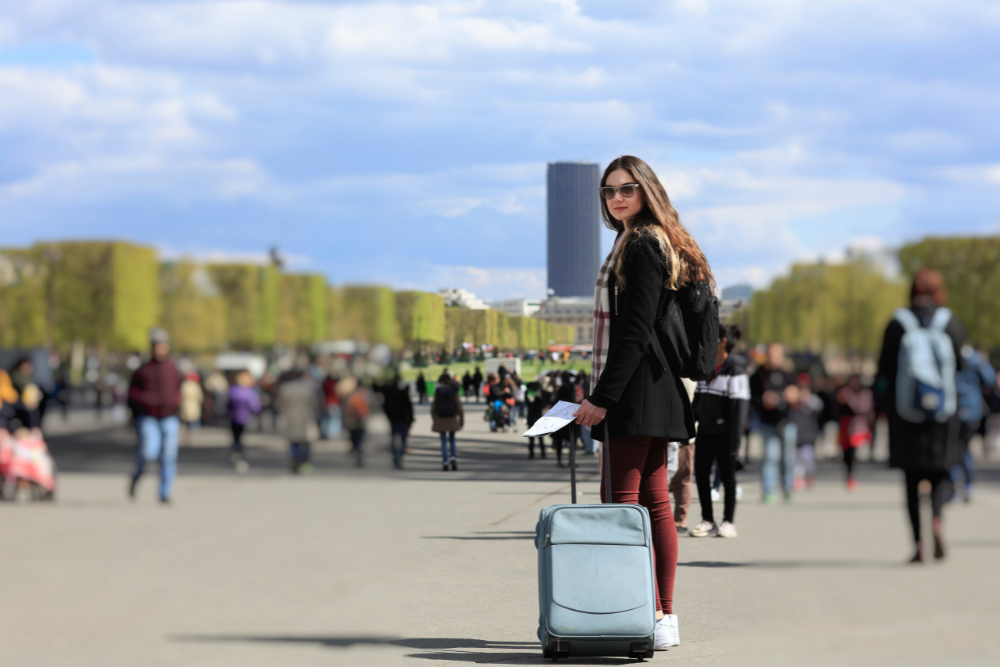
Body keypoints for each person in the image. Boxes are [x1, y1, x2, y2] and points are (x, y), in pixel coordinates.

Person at [573, 155, 715, 650]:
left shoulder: (639, 245)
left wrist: (601, 398)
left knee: (620, 507)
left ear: (647, 190)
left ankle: (637, 612)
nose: (616, 198)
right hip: (659, 388)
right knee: (654, 506)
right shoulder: (663, 240)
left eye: (627, 188)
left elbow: (633, 331)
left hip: (635, 393)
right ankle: (661, 616)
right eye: (609, 191)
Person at [876, 268, 964, 563]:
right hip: (943, 412)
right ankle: (937, 519)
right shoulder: (949, 322)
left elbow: (884, 369)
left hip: (906, 412)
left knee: (911, 479)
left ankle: (918, 544)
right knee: (940, 473)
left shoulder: (898, 322)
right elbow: (961, 365)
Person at [690, 324, 749, 538]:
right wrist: (687, 427)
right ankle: (708, 520)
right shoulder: (706, 366)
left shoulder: (736, 368)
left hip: (726, 433)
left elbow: (739, 408)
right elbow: (698, 401)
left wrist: (734, 443)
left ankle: (728, 522)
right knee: (702, 475)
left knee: (728, 477)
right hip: (705, 431)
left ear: (722, 341)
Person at [128, 329, 182, 503]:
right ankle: (137, 476)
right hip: (148, 416)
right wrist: (146, 400)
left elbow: (179, 389)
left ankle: (164, 492)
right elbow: (132, 395)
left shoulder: (172, 368)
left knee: (168, 456)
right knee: (149, 452)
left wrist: (176, 401)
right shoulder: (143, 370)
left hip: (169, 416)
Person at [949, 345, 996, 502]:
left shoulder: (949, 354)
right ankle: (967, 485)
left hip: (953, 409)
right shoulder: (975, 358)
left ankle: (957, 485)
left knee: (955, 449)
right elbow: (990, 380)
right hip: (972, 409)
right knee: (965, 448)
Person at [750, 342, 796, 503]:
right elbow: (751, 397)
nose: (774, 357)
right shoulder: (758, 374)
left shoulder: (788, 373)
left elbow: (800, 392)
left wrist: (794, 395)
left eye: (777, 354)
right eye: (771, 354)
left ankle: (788, 487)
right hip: (767, 422)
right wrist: (762, 400)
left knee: (788, 458)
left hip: (787, 421)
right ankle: (769, 490)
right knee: (771, 456)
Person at [275, 368, 320, 474]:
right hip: (306, 417)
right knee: (305, 442)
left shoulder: (285, 388)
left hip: (290, 417)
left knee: (293, 442)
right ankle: (303, 462)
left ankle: (295, 459)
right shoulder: (308, 387)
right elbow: (315, 403)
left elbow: (278, 404)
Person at [788, 375, 823, 491]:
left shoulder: (812, 399)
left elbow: (819, 407)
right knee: (795, 460)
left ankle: (809, 476)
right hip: (796, 435)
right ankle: (797, 479)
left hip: (808, 436)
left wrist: (807, 399)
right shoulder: (793, 398)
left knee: (808, 458)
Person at [227, 370, 261, 473]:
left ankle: (236, 453)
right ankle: (239, 454)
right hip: (244, 418)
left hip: (233, 417)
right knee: (240, 437)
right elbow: (256, 406)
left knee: (235, 437)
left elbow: (227, 404)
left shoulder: (233, 390)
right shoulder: (249, 391)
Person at [431, 373, 464, 471]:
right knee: (452, 440)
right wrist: (461, 421)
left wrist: (434, 419)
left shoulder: (438, 392)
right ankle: (453, 458)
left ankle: (445, 461)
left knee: (443, 441)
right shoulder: (454, 391)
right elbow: (459, 408)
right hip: (452, 418)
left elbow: (433, 408)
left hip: (440, 419)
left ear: (441, 382)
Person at [382, 374, 415, 469]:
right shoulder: (403, 392)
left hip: (393, 419)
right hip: (403, 419)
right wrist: (411, 419)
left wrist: (388, 416)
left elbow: (385, 406)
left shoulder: (389, 392)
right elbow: (409, 407)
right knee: (403, 439)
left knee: (394, 439)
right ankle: (399, 456)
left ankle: (395, 456)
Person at [341, 377, 371, 467]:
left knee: (354, 439)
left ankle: (355, 450)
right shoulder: (366, 394)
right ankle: (359, 455)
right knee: (360, 441)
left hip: (351, 422)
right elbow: (372, 406)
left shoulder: (349, 394)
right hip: (362, 421)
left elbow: (344, 409)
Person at [179, 372, 203, 446]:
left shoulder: (183, 385)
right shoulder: (196, 385)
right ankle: (190, 436)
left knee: (186, 423)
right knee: (192, 422)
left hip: (185, 406)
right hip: (194, 406)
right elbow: (200, 397)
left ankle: (187, 436)